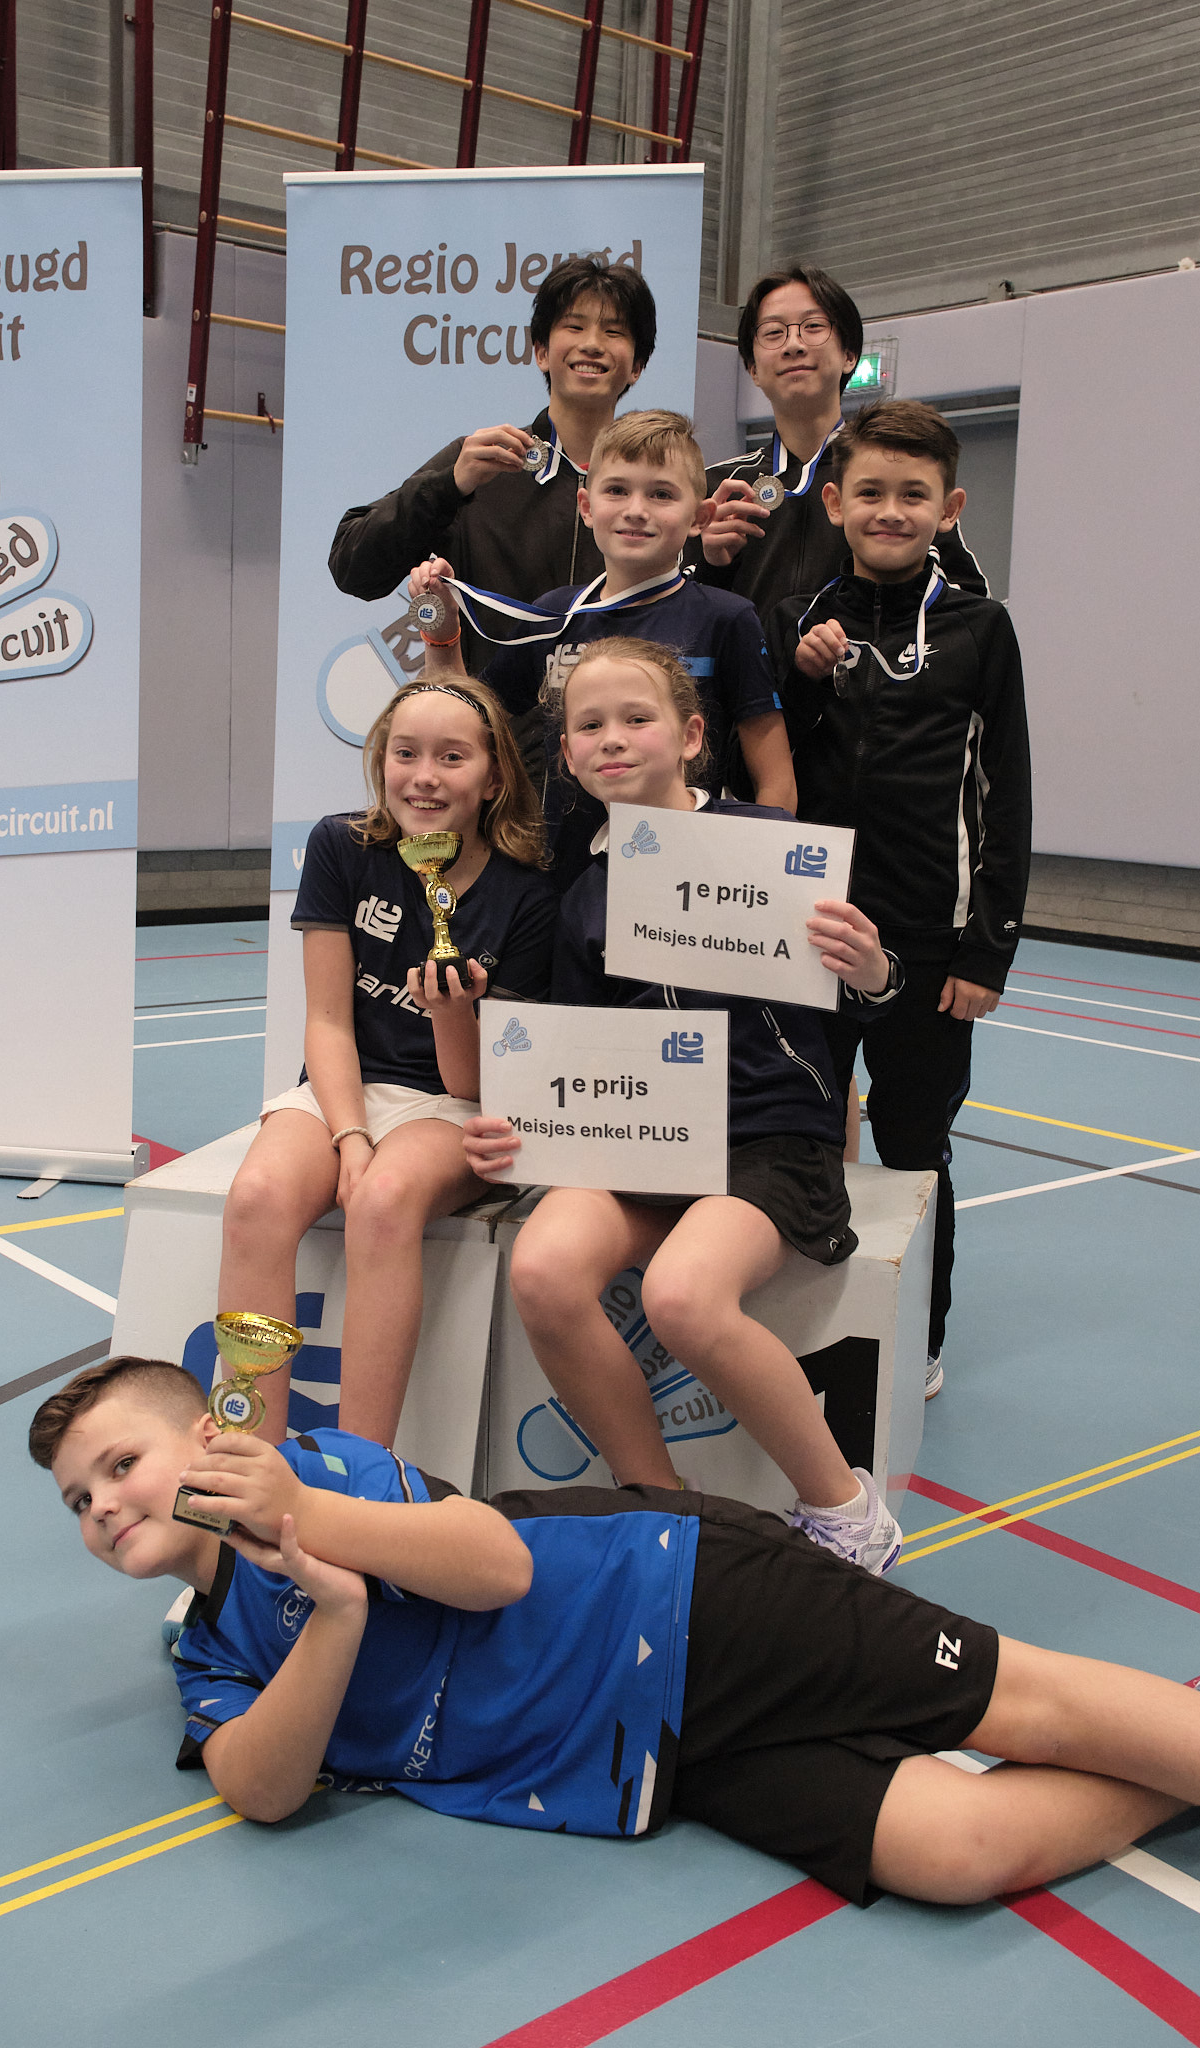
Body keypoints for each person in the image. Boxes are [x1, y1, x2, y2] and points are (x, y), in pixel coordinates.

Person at [33, 1355, 1200, 1911]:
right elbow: (264, 1789)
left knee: (1025, 1704)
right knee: (959, 1852)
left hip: (682, 1594)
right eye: (79, 1501)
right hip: (643, 1758)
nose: (102, 1506)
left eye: (119, 1464)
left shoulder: (322, 1468)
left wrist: (309, 1523)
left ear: (208, 1432)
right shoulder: (208, 1654)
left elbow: (494, 1565)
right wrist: (336, 1610)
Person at [462, 637, 906, 1573]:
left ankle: (846, 1512)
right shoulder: (580, 891)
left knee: (681, 1296)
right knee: (543, 1267)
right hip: (642, 1145)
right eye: (590, 726)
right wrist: (525, 1122)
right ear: (566, 753)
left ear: (692, 736)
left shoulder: (768, 851)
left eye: (637, 718)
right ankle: (662, 1508)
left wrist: (872, 971)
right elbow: (576, 1050)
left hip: (766, 1137)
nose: (613, 739)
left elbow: (865, 996)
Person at [767, 399, 1032, 1399]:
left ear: (948, 508)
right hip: (801, 934)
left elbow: (1007, 793)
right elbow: (764, 768)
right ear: (835, 501)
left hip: (926, 946)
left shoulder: (981, 630)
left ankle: (917, 1334)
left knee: (917, 1149)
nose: (890, 510)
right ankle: (803, 1319)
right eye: (871, 491)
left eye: (913, 494)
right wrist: (800, 683)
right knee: (798, 1138)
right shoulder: (797, 621)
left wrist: (987, 951)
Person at [216, 676, 557, 1448]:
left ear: (494, 778)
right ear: (381, 763)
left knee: (383, 1201)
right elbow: (328, 1021)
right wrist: (350, 1136)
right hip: (346, 1088)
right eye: (406, 754)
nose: (424, 777)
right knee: (257, 1197)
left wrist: (452, 1012)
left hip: (454, 1105)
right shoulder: (341, 847)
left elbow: (476, 1084)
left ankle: (359, 1469)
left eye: (452, 757)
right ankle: (247, 1453)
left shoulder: (528, 895)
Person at [411, 409, 796, 891]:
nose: (636, 509)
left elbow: (775, 781)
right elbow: (460, 723)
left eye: (661, 494)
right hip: (563, 884)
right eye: (616, 490)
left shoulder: (726, 617)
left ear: (699, 517)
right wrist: (442, 632)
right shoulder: (554, 615)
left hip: (684, 886)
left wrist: (749, 888)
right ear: (586, 506)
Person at [328, 256, 657, 677]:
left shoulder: (655, 489)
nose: (592, 344)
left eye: (613, 331)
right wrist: (449, 486)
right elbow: (353, 569)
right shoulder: (481, 463)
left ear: (637, 366)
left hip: (613, 716)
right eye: (574, 327)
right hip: (489, 716)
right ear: (541, 352)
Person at [691, 265, 988, 629]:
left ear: (849, 354)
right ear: (752, 368)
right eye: (773, 333)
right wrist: (712, 566)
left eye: (813, 326)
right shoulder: (717, 489)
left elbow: (970, 607)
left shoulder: (897, 478)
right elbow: (678, 624)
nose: (794, 345)